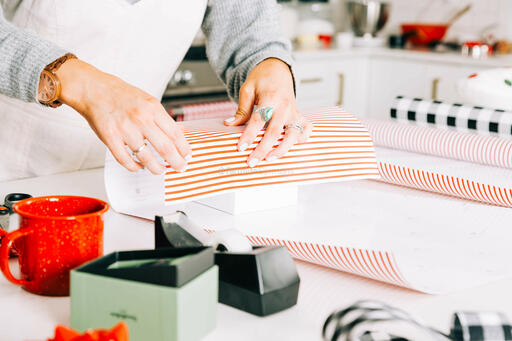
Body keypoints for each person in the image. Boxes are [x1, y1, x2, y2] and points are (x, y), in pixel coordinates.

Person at [0, 0, 312, 182]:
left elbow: (252, 32)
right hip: (13, 174)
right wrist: (81, 81)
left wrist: (271, 64)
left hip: (129, 182)